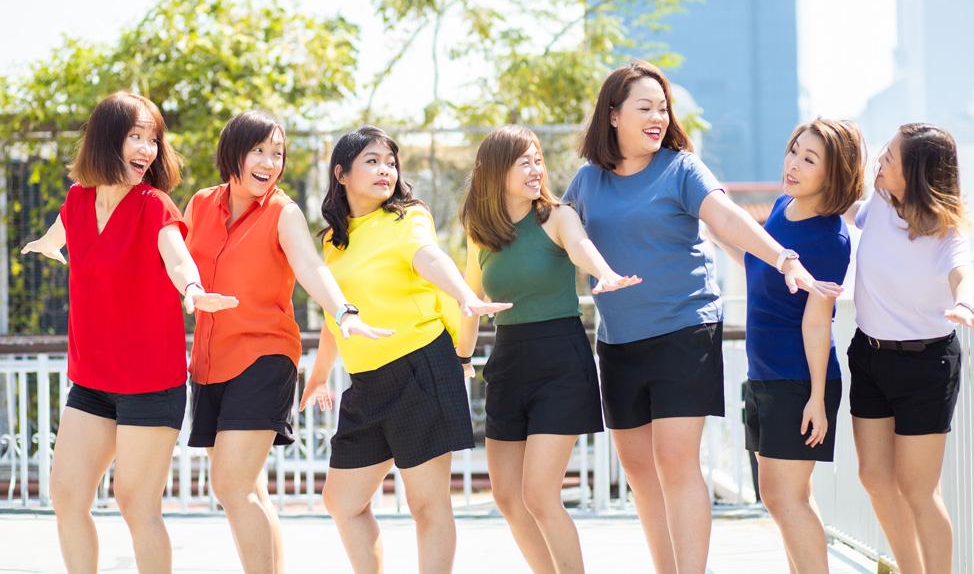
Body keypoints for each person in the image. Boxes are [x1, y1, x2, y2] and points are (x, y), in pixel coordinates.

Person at [561, 60, 842, 574]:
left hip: (685, 330)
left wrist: (783, 257)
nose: (658, 117)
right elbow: (561, 236)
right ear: (613, 116)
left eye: (663, 108)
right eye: (644, 107)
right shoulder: (586, 182)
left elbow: (727, 217)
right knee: (639, 469)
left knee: (673, 459)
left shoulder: (681, 168)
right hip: (619, 340)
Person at [21, 91, 237, 574]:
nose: (146, 149)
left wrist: (194, 290)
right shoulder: (77, 201)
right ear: (104, 140)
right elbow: (61, 230)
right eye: (134, 137)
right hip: (92, 382)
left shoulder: (154, 205)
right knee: (66, 495)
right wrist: (46, 245)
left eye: (152, 139)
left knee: (136, 503)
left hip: (150, 383)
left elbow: (178, 257)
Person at [182, 111, 392, 574]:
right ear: (233, 153)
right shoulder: (199, 205)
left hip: (264, 358)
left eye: (277, 153)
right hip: (210, 363)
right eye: (258, 150)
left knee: (231, 488)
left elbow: (311, 268)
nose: (269, 162)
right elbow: (171, 261)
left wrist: (344, 311)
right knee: (248, 492)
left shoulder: (283, 211)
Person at [299, 126, 509, 574]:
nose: (385, 170)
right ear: (341, 173)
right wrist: (317, 376)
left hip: (421, 367)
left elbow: (427, 255)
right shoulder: (333, 243)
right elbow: (341, 319)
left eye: (391, 162)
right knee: (341, 500)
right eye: (372, 161)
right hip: (368, 383)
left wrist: (464, 295)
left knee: (426, 504)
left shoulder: (407, 217)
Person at [457, 126, 641, 574]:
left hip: (559, 358)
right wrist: (461, 357)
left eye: (538, 159)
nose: (536, 169)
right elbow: (468, 298)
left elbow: (581, 248)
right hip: (507, 360)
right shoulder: (480, 232)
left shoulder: (557, 216)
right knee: (506, 495)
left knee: (539, 494)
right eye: (525, 161)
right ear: (496, 171)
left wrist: (605, 273)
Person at [718, 119, 864, 573]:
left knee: (785, 498)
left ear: (834, 173)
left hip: (799, 382)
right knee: (785, 498)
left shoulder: (829, 239)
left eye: (809, 159)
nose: (793, 164)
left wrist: (817, 399)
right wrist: (713, 219)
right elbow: (754, 262)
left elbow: (819, 323)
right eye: (794, 151)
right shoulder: (783, 207)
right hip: (764, 374)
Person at [845, 123, 974, 574]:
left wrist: (965, 304)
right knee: (873, 477)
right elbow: (850, 212)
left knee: (918, 488)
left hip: (926, 363)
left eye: (890, 158)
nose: (880, 163)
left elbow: (961, 275)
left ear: (917, 173)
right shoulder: (879, 204)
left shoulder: (946, 231)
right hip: (869, 355)